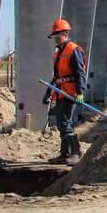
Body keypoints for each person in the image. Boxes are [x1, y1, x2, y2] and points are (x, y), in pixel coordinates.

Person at [43, 18, 87, 164]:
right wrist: (48, 93)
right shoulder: (59, 53)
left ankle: (76, 153)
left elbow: (80, 73)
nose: (55, 39)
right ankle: (64, 154)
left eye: (57, 36)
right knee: (61, 123)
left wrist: (80, 92)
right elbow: (56, 76)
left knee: (66, 123)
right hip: (60, 92)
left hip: (70, 93)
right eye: (54, 36)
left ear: (65, 33)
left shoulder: (73, 50)